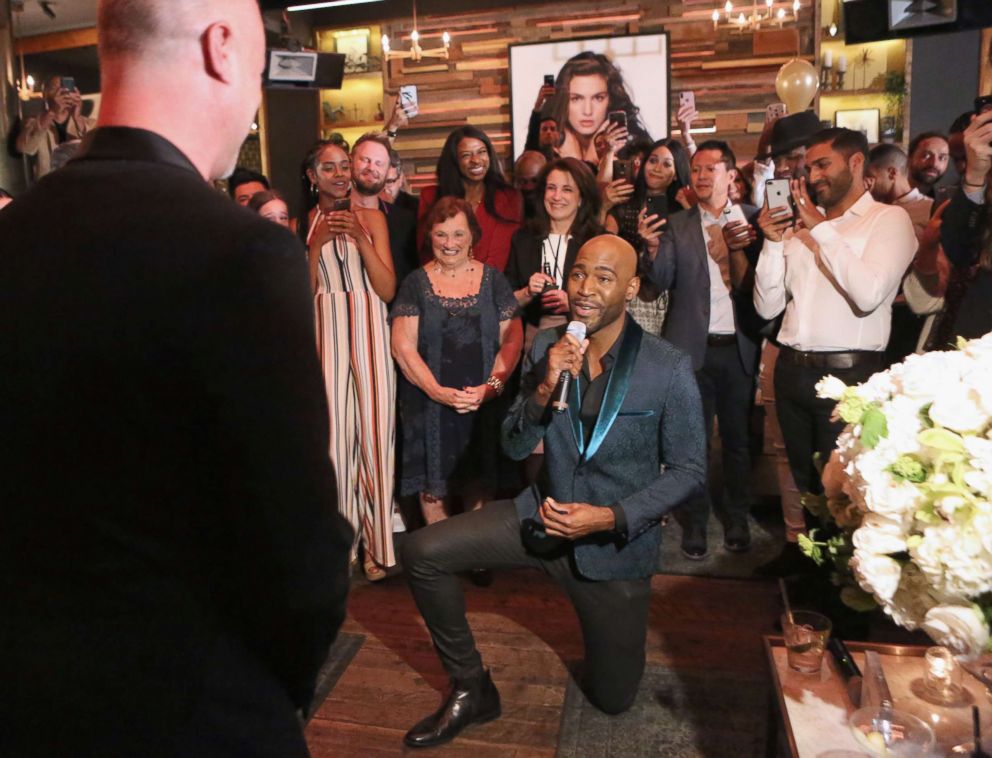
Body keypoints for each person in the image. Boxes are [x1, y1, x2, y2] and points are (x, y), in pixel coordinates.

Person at [0, 1, 352, 755]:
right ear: (222, 48)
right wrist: (271, 692)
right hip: (197, 711)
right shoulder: (243, 254)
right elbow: (301, 554)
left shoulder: (11, 237)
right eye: (259, 71)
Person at [399, 234, 705, 748]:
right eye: (579, 273)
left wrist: (609, 518)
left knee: (614, 699)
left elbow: (691, 468)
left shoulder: (667, 367)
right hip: (538, 518)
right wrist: (543, 386)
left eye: (604, 278)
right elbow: (516, 445)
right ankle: (472, 688)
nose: (585, 288)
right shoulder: (546, 345)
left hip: (613, 547)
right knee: (421, 551)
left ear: (630, 289)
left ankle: (608, 638)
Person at [753, 128, 917, 574]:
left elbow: (867, 294)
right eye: (809, 168)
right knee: (804, 485)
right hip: (790, 370)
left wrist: (821, 230)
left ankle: (847, 592)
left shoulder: (888, 220)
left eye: (823, 164)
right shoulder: (803, 231)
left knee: (845, 491)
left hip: (850, 378)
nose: (814, 175)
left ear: (858, 163)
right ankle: (810, 579)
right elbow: (766, 305)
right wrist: (771, 241)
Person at [645, 140, 765, 559]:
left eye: (710, 168)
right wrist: (652, 248)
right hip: (691, 349)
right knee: (690, 442)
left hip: (739, 348)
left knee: (737, 441)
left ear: (732, 175)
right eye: (694, 169)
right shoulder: (677, 224)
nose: (699, 175)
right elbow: (659, 282)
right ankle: (694, 521)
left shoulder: (754, 222)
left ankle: (736, 517)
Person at [391, 197, 523, 525]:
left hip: (482, 401)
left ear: (472, 236)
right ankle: (441, 558)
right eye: (441, 235)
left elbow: (513, 338)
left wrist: (490, 388)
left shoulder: (494, 282)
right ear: (429, 237)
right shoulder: (414, 284)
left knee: (479, 476)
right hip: (428, 402)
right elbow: (402, 347)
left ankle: (475, 554)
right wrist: (437, 391)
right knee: (432, 483)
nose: (450, 244)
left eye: (458, 234)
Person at [304, 138, 398, 582]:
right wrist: (313, 243)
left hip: (370, 325)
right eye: (329, 168)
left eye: (345, 165)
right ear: (312, 177)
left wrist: (360, 239)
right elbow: (300, 297)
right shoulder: (300, 222)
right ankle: (342, 547)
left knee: (377, 436)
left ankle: (378, 547)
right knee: (335, 443)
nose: (340, 174)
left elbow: (387, 289)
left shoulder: (374, 217)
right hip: (326, 330)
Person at [506, 157, 602, 350]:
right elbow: (504, 302)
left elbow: (611, 302)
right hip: (533, 338)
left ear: (581, 197)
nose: (556, 196)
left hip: (587, 338)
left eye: (567, 189)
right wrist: (528, 292)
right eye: (551, 188)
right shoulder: (524, 238)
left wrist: (574, 304)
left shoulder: (598, 241)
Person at [606, 138, 692, 339]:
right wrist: (604, 205)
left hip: (672, 300)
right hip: (629, 296)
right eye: (653, 160)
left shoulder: (681, 212)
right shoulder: (624, 206)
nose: (657, 168)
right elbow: (606, 245)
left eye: (666, 164)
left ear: (676, 174)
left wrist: (689, 207)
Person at [417, 126, 523, 272]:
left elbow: (503, 255)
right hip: (442, 285)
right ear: (455, 161)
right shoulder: (431, 197)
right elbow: (426, 253)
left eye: (482, 152)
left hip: (493, 286)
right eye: (466, 155)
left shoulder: (509, 197)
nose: (476, 160)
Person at [933, 109, 992, 344]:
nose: (959, 166)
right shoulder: (971, 193)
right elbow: (958, 250)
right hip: (981, 337)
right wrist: (975, 175)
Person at [547, 52, 650, 164]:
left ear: (610, 100)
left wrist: (590, 157)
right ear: (563, 101)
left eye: (598, 98)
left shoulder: (629, 149)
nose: (587, 111)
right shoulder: (549, 145)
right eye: (576, 99)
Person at [351, 132, 419, 285]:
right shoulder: (334, 214)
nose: (371, 167)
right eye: (365, 160)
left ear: (388, 169)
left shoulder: (405, 221)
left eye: (379, 163)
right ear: (351, 161)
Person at [15, 74, 95, 180]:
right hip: (49, 190)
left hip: (81, 187)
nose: (61, 93)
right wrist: (52, 112)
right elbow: (25, 148)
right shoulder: (34, 123)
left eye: (65, 89)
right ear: (45, 95)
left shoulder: (89, 124)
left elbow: (98, 150)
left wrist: (77, 118)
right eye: (55, 89)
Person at [751, 110, 822, 208]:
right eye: (776, 161)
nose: (781, 168)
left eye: (791, 158)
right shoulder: (786, 200)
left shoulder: (835, 200)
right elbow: (760, 201)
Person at [866, 144, 934, 237]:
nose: (867, 182)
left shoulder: (929, 208)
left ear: (892, 173)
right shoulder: (870, 205)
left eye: (870, 176)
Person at [907, 131, 951, 198]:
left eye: (942, 158)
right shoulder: (887, 199)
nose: (934, 163)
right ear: (909, 158)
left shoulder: (944, 203)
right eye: (926, 155)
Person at [523, 82, 560, 158]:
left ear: (557, 135)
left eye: (552, 129)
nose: (549, 132)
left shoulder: (560, 159)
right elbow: (533, 130)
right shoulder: (532, 154)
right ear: (538, 133)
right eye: (544, 129)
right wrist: (538, 104)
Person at [381, 147, 420, 217]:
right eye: (378, 182)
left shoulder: (415, 208)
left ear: (401, 179)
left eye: (389, 181)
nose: (382, 188)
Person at [512, 149, 547, 217]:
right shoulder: (508, 210)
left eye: (534, 181)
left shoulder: (554, 209)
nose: (529, 187)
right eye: (523, 181)